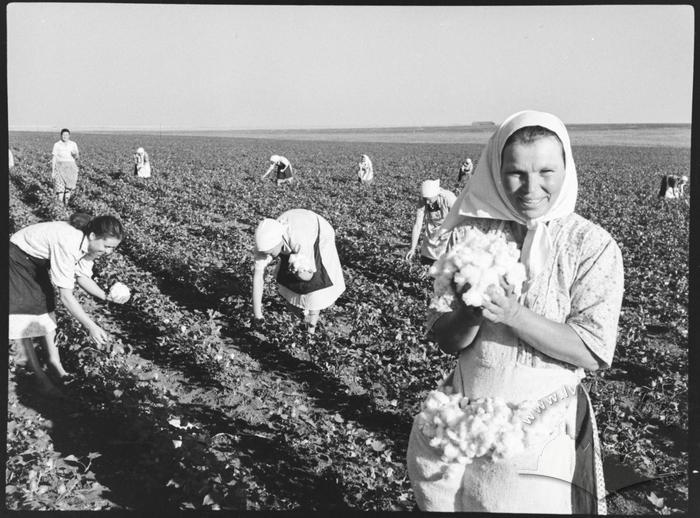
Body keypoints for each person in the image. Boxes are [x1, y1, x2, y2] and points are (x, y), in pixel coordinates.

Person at [406, 110, 624, 514]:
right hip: (461, 416)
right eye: (516, 173)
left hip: (536, 426)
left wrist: (513, 315)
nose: (531, 188)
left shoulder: (592, 246)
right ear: (495, 170)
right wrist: (471, 314)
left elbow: (591, 353)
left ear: (566, 169)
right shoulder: (468, 235)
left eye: (546, 171)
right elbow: (444, 339)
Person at [9, 213, 130, 396]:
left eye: (113, 248)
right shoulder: (68, 242)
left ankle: (55, 366)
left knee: (47, 307)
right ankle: (39, 378)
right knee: (23, 313)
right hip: (15, 258)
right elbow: (66, 295)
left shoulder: (90, 246)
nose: (108, 252)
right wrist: (91, 326)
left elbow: (82, 276)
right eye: (106, 246)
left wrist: (106, 296)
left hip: (35, 263)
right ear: (92, 236)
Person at [252, 209, 346, 334]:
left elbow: (309, 276)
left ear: (278, 242)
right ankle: (298, 317)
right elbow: (258, 277)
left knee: (315, 286)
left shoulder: (299, 241)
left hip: (318, 230)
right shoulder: (264, 243)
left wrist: (297, 271)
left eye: (269, 252)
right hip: (293, 234)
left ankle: (310, 331)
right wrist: (258, 316)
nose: (266, 255)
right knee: (288, 280)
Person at [405, 179, 457, 266]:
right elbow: (418, 225)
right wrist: (412, 248)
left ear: (436, 194)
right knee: (427, 260)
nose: (427, 202)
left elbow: (458, 218)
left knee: (444, 263)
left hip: (448, 229)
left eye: (429, 199)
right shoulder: (423, 200)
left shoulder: (448, 198)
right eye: (425, 199)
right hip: (431, 231)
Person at [51, 128, 80, 206]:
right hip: (59, 167)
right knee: (60, 189)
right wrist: (53, 171)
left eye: (67, 135)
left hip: (70, 168)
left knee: (69, 188)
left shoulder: (73, 144)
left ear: (69, 136)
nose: (65, 136)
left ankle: (66, 204)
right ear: (61, 135)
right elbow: (54, 158)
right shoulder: (57, 144)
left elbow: (77, 157)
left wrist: (75, 155)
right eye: (63, 135)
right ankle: (60, 205)